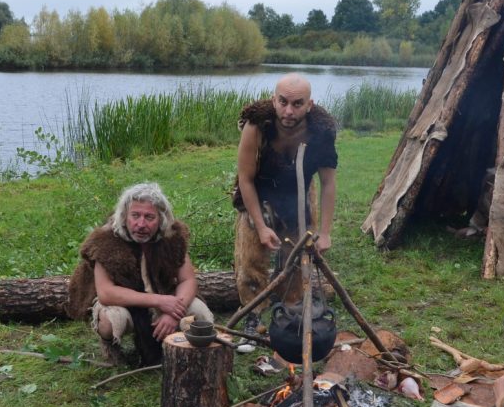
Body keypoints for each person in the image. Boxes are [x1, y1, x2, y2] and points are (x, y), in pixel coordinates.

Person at [232, 73, 338, 331]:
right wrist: (260, 226)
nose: (288, 111)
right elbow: (245, 179)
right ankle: (252, 313)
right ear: (274, 100)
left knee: (298, 253)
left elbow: (328, 184)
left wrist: (324, 233)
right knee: (251, 260)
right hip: (259, 192)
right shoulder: (257, 126)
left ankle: (290, 311)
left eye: (297, 104)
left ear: (309, 105)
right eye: (283, 102)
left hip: (300, 193)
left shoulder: (321, 131)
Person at [67, 183, 213, 365]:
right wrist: (159, 301)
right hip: (124, 302)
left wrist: (173, 313)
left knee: (200, 314)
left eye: (149, 217)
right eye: (135, 215)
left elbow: (187, 279)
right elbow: (106, 293)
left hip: (165, 291)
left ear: (160, 219)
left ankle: (186, 346)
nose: (141, 224)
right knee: (111, 321)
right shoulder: (106, 240)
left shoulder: (171, 236)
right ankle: (110, 345)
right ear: (125, 216)